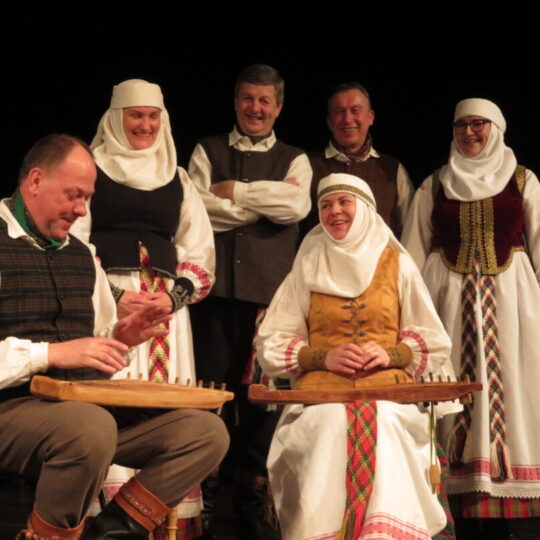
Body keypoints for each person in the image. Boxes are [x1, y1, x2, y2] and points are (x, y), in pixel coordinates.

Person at [0, 134, 228, 540]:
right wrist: (49, 354)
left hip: (85, 410)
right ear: (35, 181)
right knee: (89, 428)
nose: (81, 209)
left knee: (205, 433)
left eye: (87, 198)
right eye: (73, 195)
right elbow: (63, 353)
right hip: (13, 408)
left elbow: (93, 341)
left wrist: (121, 339)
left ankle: (109, 534)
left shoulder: (81, 255)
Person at [256, 173, 457, 540]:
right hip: (321, 396)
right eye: (326, 205)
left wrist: (391, 353)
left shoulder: (397, 263)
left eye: (343, 202)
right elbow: (272, 340)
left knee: (386, 420)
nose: (334, 211)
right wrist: (323, 358)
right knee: (328, 424)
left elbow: (433, 338)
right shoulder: (308, 264)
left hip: (389, 392)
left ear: (364, 208)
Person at [70, 78, 215, 538]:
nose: (145, 125)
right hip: (107, 303)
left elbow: (199, 246)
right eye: (136, 115)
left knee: (166, 410)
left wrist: (174, 297)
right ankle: (106, 516)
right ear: (116, 118)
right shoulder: (91, 170)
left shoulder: (177, 176)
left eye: (153, 116)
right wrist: (113, 295)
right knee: (113, 404)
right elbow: (74, 240)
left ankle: (157, 514)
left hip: (164, 310)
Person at [402, 98, 540, 538]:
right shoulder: (436, 183)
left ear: (496, 128)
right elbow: (412, 250)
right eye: (461, 125)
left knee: (513, 384)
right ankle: (453, 499)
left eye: (478, 124)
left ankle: (507, 500)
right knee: (451, 387)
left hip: (511, 300)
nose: (469, 133)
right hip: (448, 298)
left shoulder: (523, 180)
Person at [188, 64, 312, 538]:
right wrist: (264, 205)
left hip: (269, 303)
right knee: (211, 394)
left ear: (278, 107)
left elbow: (296, 207)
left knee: (262, 401)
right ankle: (203, 498)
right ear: (235, 101)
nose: (255, 109)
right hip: (215, 298)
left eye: (264, 101)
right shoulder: (208, 150)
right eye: (247, 99)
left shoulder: (295, 159)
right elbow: (199, 208)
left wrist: (236, 193)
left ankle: (253, 502)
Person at [302, 82, 413, 238]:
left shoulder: (392, 169)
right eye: (339, 111)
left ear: (370, 117)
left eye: (355, 110)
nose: (347, 119)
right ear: (329, 121)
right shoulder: (306, 165)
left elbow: (410, 230)